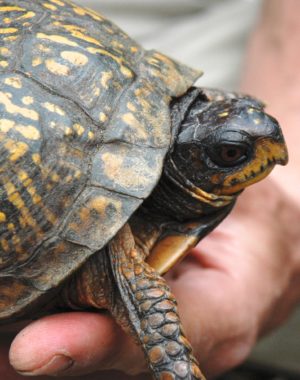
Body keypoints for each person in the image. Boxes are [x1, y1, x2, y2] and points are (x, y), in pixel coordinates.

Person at [1, 0, 299, 379]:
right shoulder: (122, 263)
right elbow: (152, 311)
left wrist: (292, 204)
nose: (270, 146)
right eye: (231, 153)